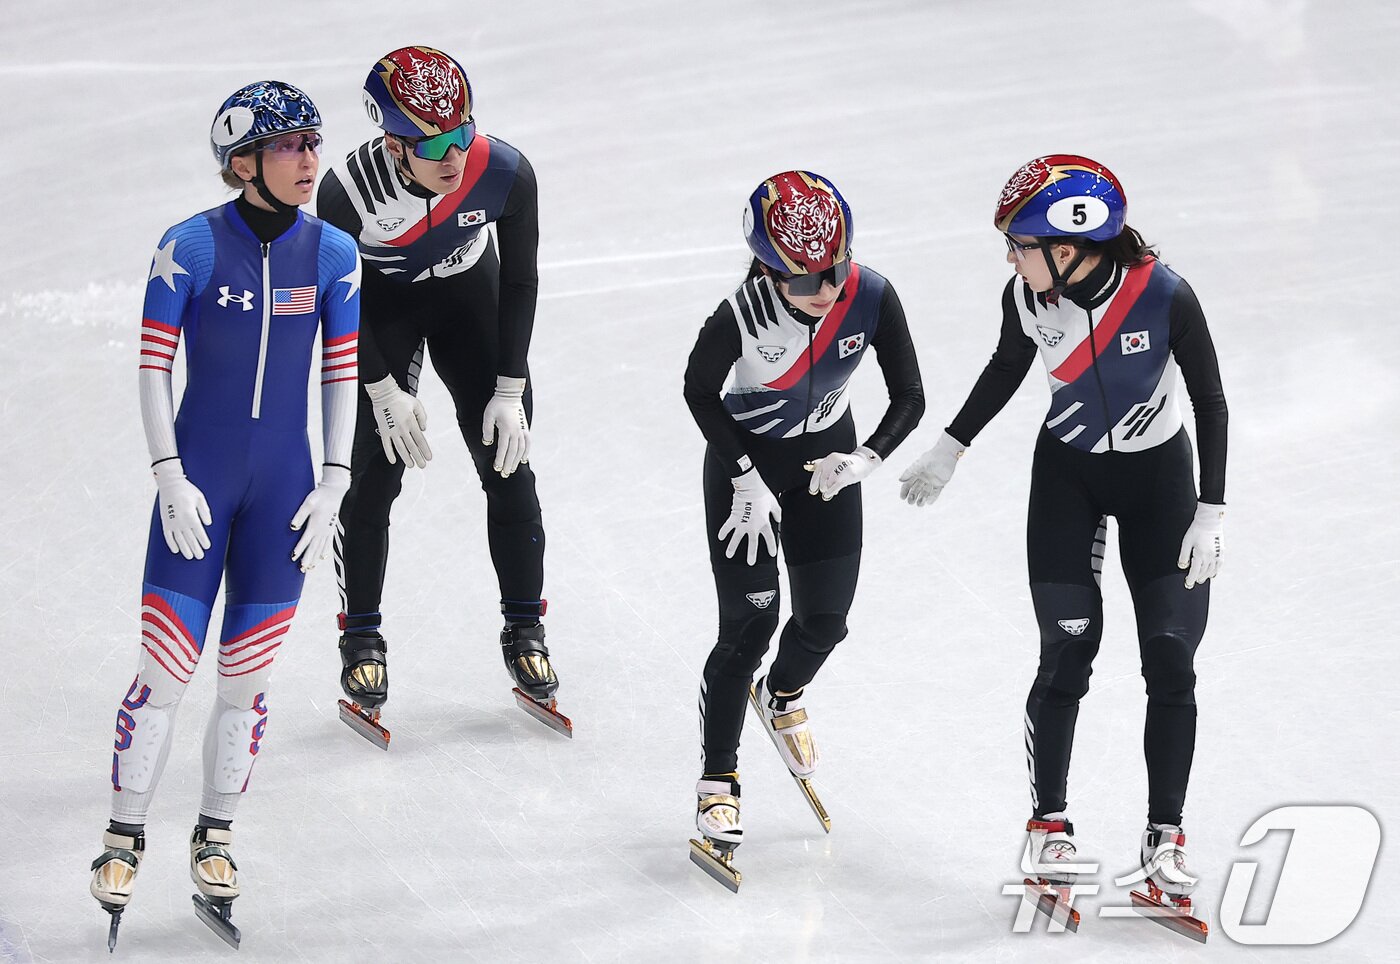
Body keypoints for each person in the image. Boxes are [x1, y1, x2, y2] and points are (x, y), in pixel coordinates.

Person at [898, 154, 1227, 916]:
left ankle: (1165, 843)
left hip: (1161, 487)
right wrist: (952, 446)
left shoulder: (1165, 294)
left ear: (1070, 246)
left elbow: (1210, 402)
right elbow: (1008, 365)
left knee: (1171, 659)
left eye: (1020, 243)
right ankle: (1049, 826)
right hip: (1068, 481)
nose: (1011, 257)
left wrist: (1212, 510)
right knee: (1069, 646)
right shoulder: (1027, 293)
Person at [88, 81, 361, 948]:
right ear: (243, 162)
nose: (311, 161)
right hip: (199, 486)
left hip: (284, 496)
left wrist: (336, 481)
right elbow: (151, 367)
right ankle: (123, 833)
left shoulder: (335, 254)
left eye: (314, 143)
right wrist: (168, 474)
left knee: (246, 684)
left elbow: (340, 372)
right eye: (290, 147)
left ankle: (215, 834)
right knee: (164, 671)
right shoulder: (191, 247)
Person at [315, 45, 564, 739]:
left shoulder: (505, 171)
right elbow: (332, 300)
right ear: (394, 145)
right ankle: (360, 636)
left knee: (508, 467)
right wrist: (380, 386)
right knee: (376, 476)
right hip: (380, 311)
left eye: (462, 132)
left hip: (468, 301)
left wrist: (510, 385)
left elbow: (519, 280)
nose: (455, 156)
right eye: (434, 145)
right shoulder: (345, 194)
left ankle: (526, 630)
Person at [682, 171, 924, 883]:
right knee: (749, 631)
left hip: (826, 469)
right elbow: (698, 390)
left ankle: (782, 695)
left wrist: (866, 460)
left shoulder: (872, 293)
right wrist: (744, 474)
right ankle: (717, 783)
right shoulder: (740, 312)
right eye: (810, 277)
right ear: (768, 267)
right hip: (746, 476)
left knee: (826, 623)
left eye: (837, 268)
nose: (828, 288)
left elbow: (910, 393)